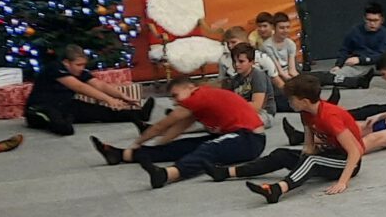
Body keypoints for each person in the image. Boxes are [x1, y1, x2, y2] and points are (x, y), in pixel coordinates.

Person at [92, 77, 266, 188]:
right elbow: (176, 130)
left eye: (175, 95)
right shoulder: (201, 98)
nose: (174, 102)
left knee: (208, 149)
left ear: (190, 87)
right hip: (239, 137)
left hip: (250, 139)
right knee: (184, 146)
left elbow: (162, 126)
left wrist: (138, 141)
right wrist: (159, 146)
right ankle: (122, 155)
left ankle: (168, 174)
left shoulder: (198, 97)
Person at [230, 75, 369, 202]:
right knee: (282, 154)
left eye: (291, 99)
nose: (289, 102)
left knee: (312, 161)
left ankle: (278, 189)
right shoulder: (305, 113)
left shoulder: (329, 117)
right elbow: (309, 147)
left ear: (305, 101)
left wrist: (342, 182)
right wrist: (299, 160)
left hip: (348, 162)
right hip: (328, 154)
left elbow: (355, 151)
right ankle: (230, 172)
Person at [24, 44, 150, 136]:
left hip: (65, 104)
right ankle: (64, 119)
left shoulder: (79, 72)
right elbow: (79, 87)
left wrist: (121, 96)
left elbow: (99, 85)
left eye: (83, 65)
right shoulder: (55, 68)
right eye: (78, 65)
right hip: (40, 107)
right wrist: (108, 99)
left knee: (100, 112)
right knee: (64, 128)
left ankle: (139, 114)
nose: (81, 68)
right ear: (66, 62)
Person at [334, 2, 386, 86]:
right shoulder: (355, 31)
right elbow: (344, 49)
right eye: (369, 20)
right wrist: (338, 65)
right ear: (364, 19)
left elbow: (383, 55)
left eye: (375, 20)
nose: (372, 23)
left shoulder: (385, 34)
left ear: (382, 20)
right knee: (337, 74)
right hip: (359, 65)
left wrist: (361, 60)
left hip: (377, 64)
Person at [221, 41, 275, 120]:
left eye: (241, 61)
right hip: (242, 111)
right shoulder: (234, 79)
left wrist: (233, 106)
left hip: (263, 113)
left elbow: (256, 106)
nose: (236, 64)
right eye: (234, 61)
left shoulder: (258, 76)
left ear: (252, 62)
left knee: (240, 121)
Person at [256, 11, 299, 85]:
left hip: (287, 74)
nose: (285, 31)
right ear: (274, 28)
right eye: (281, 28)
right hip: (274, 76)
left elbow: (292, 70)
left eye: (287, 27)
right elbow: (279, 72)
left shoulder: (290, 44)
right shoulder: (267, 46)